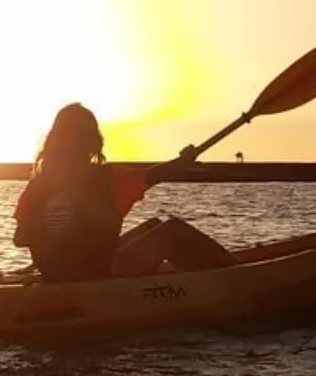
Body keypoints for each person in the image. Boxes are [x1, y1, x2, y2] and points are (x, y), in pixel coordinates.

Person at [13, 103, 237, 282]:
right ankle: (239, 275)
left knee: (153, 225)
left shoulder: (37, 186)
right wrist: (184, 160)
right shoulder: (108, 178)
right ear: (92, 142)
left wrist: (56, 237)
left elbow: (20, 238)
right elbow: (156, 174)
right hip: (97, 278)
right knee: (170, 232)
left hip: (56, 278)